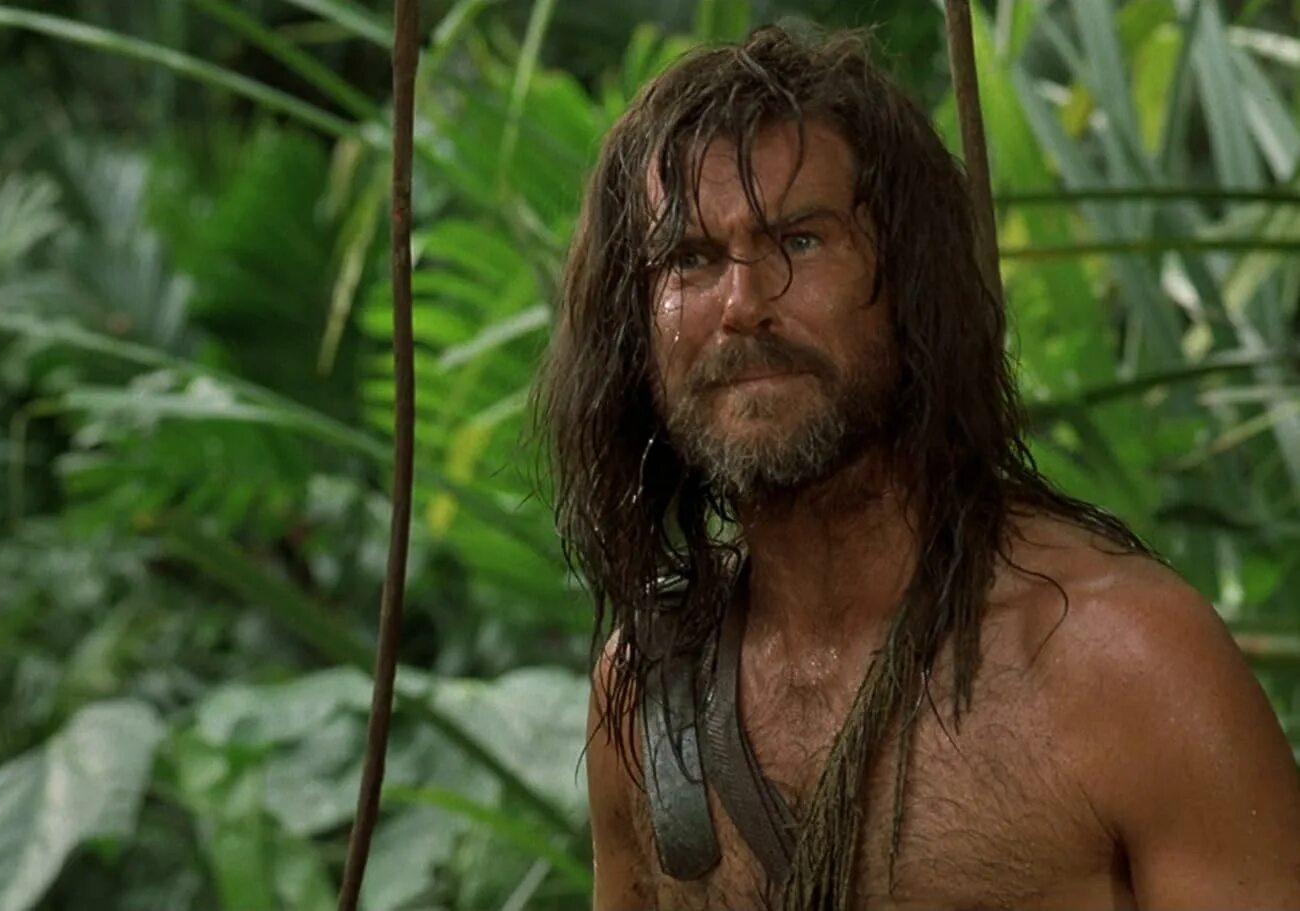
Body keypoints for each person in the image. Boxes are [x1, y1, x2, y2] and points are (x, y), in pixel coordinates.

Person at [532, 25, 1300, 910]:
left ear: (910, 282)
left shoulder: (1126, 665)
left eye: (801, 241)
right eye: (691, 259)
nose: (742, 303)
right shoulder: (647, 698)